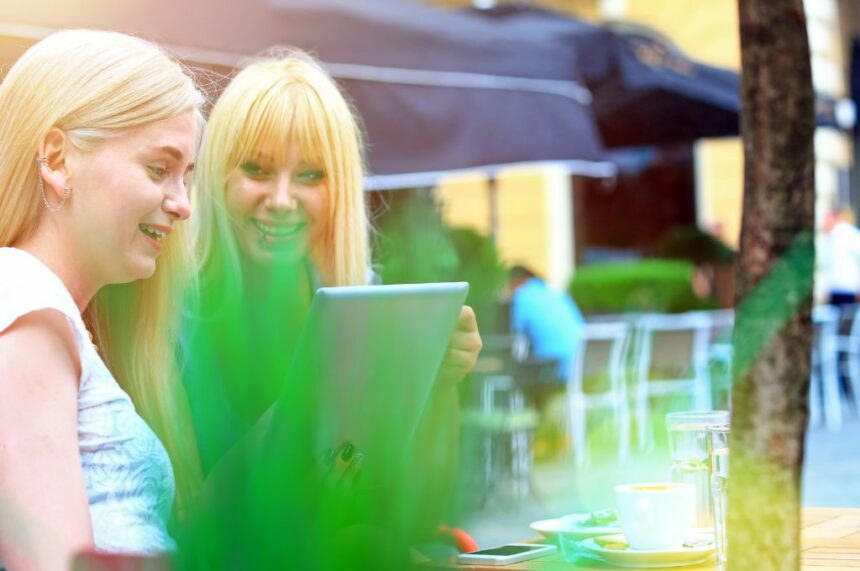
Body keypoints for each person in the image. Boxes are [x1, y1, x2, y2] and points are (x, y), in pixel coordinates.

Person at [181, 50, 482, 564]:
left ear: (338, 189)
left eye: (310, 176)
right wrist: (299, 414)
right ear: (215, 176)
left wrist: (441, 384)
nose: (280, 199)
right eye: (256, 168)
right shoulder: (176, 322)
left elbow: (420, 509)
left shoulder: (367, 310)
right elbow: (188, 535)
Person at [0, 30, 204, 569]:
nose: (183, 204)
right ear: (57, 159)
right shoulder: (23, 296)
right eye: (160, 169)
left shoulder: (47, 308)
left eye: (187, 176)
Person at [508, 265, 585, 382]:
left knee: (514, 370)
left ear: (517, 280)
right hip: (579, 359)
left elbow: (514, 330)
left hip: (552, 364)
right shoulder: (556, 293)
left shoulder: (522, 296)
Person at [821, 208, 860, 307]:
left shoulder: (848, 234)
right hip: (835, 289)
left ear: (833, 218)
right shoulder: (828, 238)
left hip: (849, 289)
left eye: (826, 218)